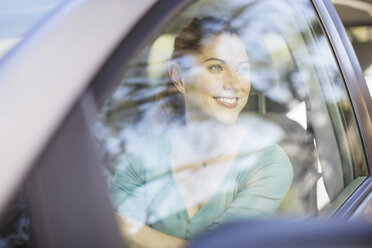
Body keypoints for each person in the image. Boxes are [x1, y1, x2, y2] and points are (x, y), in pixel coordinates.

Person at [110, 17, 293, 248]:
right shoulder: (144, 155)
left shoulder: (267, 162)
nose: (235, 83)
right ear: (179, 77)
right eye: (216, 67)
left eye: (243, 69)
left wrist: (130, 228)